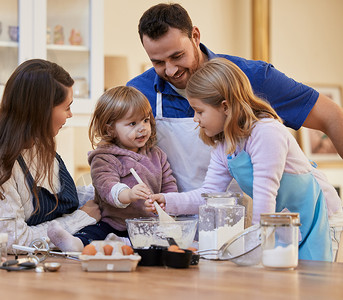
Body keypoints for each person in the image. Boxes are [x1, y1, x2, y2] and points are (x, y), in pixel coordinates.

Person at [127, 3, 343, 193]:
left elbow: (332, 116)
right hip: (188, 224)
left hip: (263, 219)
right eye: (158, 62)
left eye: (177, 56)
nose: (171, 70)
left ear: (195, 36)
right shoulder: (138, 93)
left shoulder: (252, 77)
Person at [146, 58, 342, 261]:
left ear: (225, 107)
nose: (195, 118)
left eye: (200, 111)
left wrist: (254, 250)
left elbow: (265, 194)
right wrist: (167, 201)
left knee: (314, 287)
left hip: (320, 220)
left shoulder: (266, 132)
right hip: (283, 224)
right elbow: (209, 194)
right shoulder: (225, 145)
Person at [0, 59, 100, 253]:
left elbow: (58, 203)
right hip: (15, 274)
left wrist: (107, 192)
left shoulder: (42, 150)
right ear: (41, 112)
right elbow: (14, 242)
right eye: (66, 107)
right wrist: (82, 218)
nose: (70, 115)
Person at [47, 86, 178, 251]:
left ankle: (121, 243)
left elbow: (169, 185)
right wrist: (129, 194)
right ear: (110, 129)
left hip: (148, 225)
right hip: (112, 222)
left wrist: (165, 202)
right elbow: (107, 187)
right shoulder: (104, 157)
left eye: (145, 120)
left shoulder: (157, 155)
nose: (142, 127)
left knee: (164, 242)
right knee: (92, 232)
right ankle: (75, 244)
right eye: (132, 123)